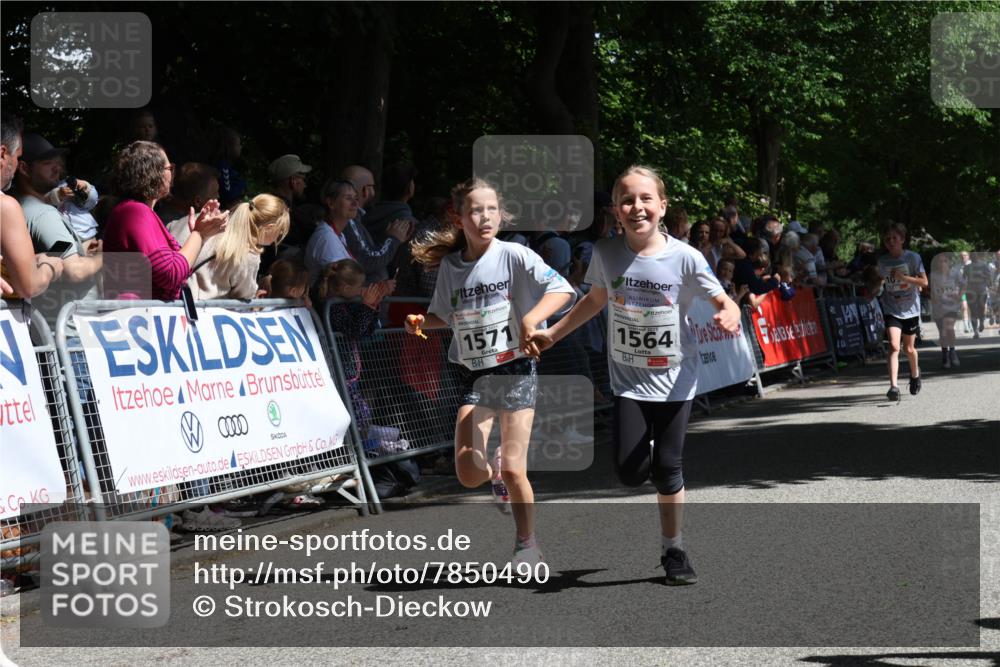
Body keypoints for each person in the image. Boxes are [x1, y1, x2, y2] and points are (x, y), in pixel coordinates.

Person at [527, 166, 741, 586]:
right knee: (629, 472)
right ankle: (654, 464)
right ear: (615, 210)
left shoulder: (685, 257)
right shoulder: (606, 252)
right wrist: (552, 333)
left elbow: (721, 299)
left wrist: (730, 312)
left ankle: (674, 550)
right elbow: (594, 300)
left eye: (646, 199)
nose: (637, 207)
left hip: (676, 378)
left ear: (662, 206)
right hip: (629, 380)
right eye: (627, 200)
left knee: (669, 467)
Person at [406, 177, 574, 566]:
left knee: (516, 469)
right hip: (475, 376)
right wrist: (421, 322)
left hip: (515, 368)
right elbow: (444, 316)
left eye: (491, 209)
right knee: (468, 473)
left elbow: (564, 291)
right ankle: (493, 471)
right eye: (475, 211)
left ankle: (527, 545)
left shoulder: (514, 255)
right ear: (459, 218)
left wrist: (531, 320)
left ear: (501, 215)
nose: (484, 217)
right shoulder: (451, 266)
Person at [102, 141, 228, 301]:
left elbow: (179, 270)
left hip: (142, 313)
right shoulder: (134, 212)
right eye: (169, 168)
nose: (172, 174)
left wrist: (201, 236)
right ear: (152, 173)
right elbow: (170, 275)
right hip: (137, 314)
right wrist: (199, 234)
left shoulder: (138, 211)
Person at [13, 133, 102, 323]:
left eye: (57, 162)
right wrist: (104, 256)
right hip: (71, 330)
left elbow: (55, 255)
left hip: (50, 325)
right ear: (24, 168)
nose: (57, 169)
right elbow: (74, 270)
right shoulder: (44, 214)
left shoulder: (18, 208)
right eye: (47, 163)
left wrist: (81, 251)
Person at [317, 259, 394, 442]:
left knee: (360, 415)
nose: (362, 289)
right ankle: (356, 448)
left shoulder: (347, 303)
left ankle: (362, 447)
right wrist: (366, 306)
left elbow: (367, 330)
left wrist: (373, 305)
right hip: (338, 372)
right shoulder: (332, 307)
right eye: (359, 286)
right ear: (345, 287)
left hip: (350, 373)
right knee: (359, 415)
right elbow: (355, 330)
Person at [168, 193, 289, 300]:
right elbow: (244, 298)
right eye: (280, 232)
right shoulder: (248, 255)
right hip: (194, 312)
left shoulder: (204, 219)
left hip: (163, 296)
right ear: (269, 228)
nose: (277, 239)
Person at [0, 115, 64, 299]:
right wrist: (50, 265)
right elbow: (29, 286)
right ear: (2, 154)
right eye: (17, 157)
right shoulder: (5, 206)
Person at [875, 222, 928, 402]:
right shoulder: (883, 261)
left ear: (902, 240)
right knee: (894, 346)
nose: (890, 242)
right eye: (887, 239)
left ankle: (915, 374)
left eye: (894, 238)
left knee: (909, 348)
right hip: (892, 307)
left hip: (910, 308)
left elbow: (924, 283)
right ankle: (893, 386)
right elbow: (880, 279)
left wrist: (903, 278)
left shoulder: (913, 258)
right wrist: (876, 285)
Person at [342, 164, 413, 284]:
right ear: (365, 190)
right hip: (365, 293)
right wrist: (393, 239)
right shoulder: (349, 220)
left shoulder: (358, 218)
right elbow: (367, 260)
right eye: (372, 186)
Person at [303, 178, 357, 287]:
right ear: (331, 203)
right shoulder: (326, 238)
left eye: (356, 198)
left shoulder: (339, 235)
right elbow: (343, 286)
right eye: (348, 198)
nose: (355, 203)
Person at [930, 253, 962, 368]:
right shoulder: (933, 275)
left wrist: (959, 296)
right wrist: (933, 296)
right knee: (942, 332)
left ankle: (952, 351)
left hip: (952, 306)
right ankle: (945, 353)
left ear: (949, 262)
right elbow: (927, 289)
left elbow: (964, 284)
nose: (943, 263)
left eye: (945, 261)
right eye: (940, 261)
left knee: (948, 326)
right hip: (938, 307)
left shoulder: (955, 273)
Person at [962, 251, 991, 339]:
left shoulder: (981, 266)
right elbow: (963, 279)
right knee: (976, 310)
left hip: (976, 291)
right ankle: (976, 330)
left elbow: (963, 280)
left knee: (976, 310)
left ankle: (979, 325)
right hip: (976, 291)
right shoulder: (970, 267)